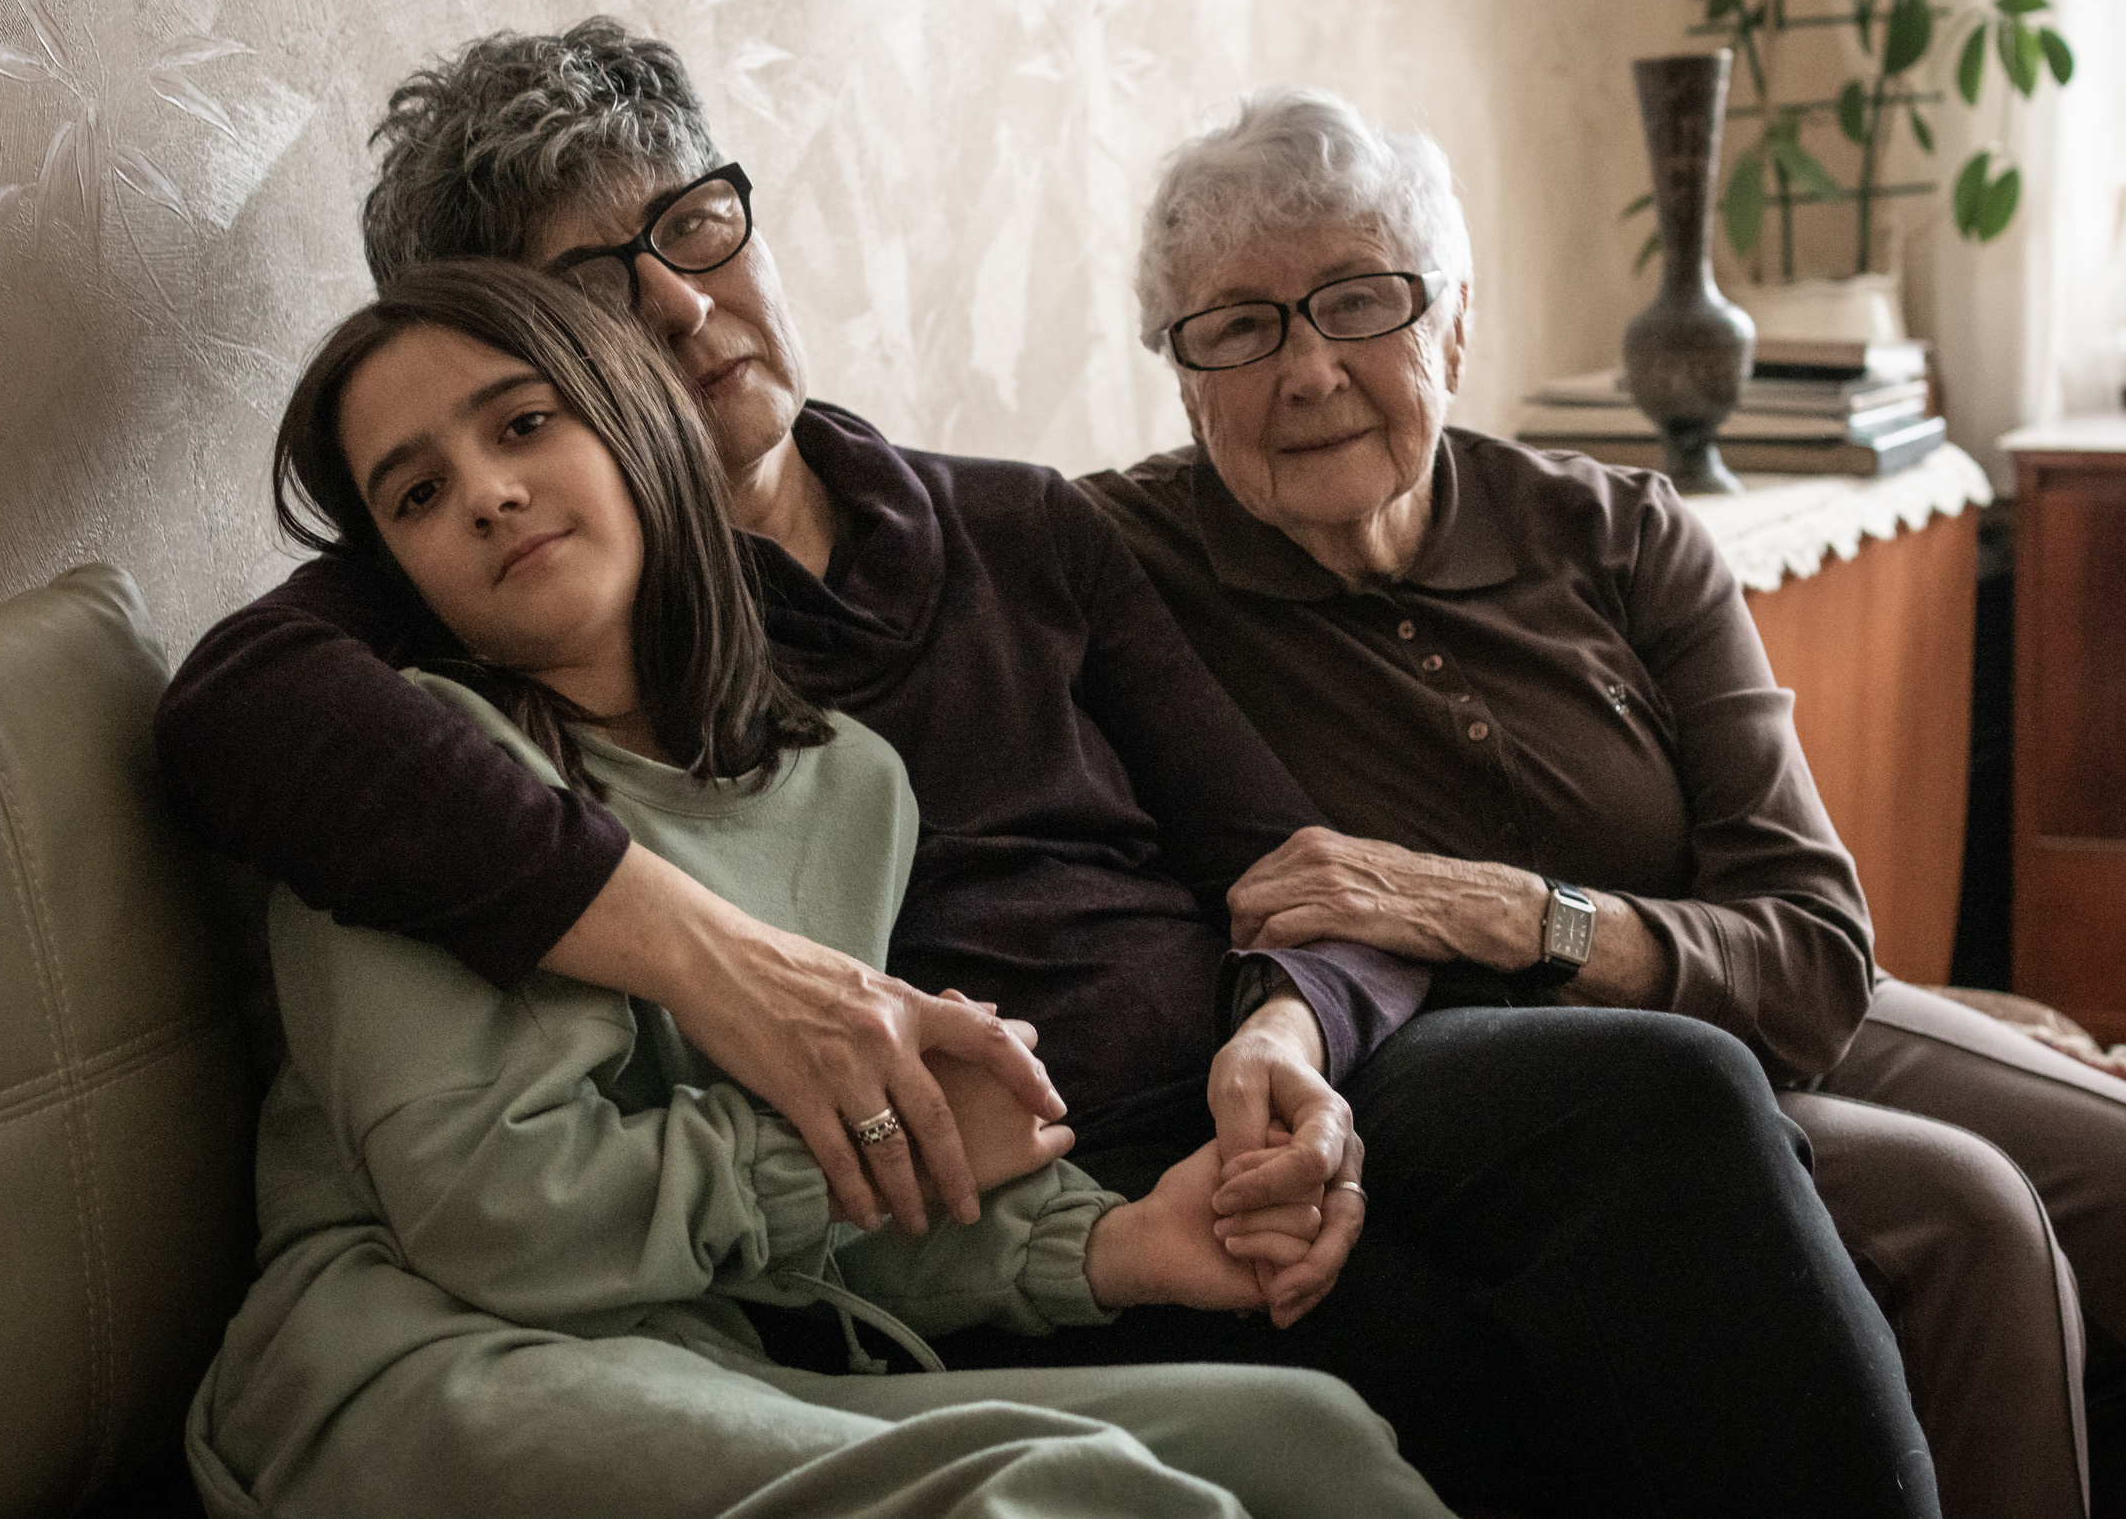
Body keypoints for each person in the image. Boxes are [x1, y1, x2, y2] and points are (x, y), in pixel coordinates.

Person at [157, 20, 1942, 1517]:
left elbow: (1293, 867)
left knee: (1673, 1100)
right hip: (1003, 1193)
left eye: (697, 229)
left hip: (1240, 1084)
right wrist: (715, 960)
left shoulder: (1021, 524)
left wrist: (1284, 1037)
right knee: (1425, 1356)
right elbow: (234, 702)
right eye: (589, 297)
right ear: (513, 360)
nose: (691, 314)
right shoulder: (539, 582)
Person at [1081, 84, 2126, 1519]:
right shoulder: (1120, 567)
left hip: (1772, 1000)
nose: (1307, 369)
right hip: (1564, 1084)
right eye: (1238, 326)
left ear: (1452, 323)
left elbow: (1816, 946)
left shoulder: (1620, 531)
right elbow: (884, 536)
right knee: (1968, 1218)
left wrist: (1509, 906)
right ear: (1183, 373)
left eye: (1360, 301)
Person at [187, 256, 1454, 1519]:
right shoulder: (400, 787)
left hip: (719, 1353)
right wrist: (872, 1135)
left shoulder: (844, 783)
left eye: (524, 424)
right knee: (1056, 1496)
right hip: (431, 1363)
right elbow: (499, 1220)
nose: (488, 493)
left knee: (1314, 1440)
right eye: (417, 494)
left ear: (637, 423)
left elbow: (844, 1195)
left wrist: (1109, 1247)